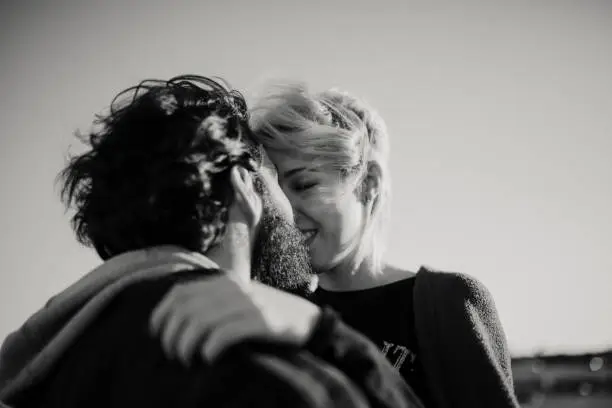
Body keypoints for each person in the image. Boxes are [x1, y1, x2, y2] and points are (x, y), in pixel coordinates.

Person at [0, 76, 424, 408]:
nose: (294, 213)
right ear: (244, 186)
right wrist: (331, 340)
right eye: (278, 180)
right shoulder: (257, 371)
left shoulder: (50, 373)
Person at [154, 81, 520, 407]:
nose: (284, 210)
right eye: (273, 191)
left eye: (304, 185)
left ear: (368, 182)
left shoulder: (445, 301)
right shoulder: (274, 307)